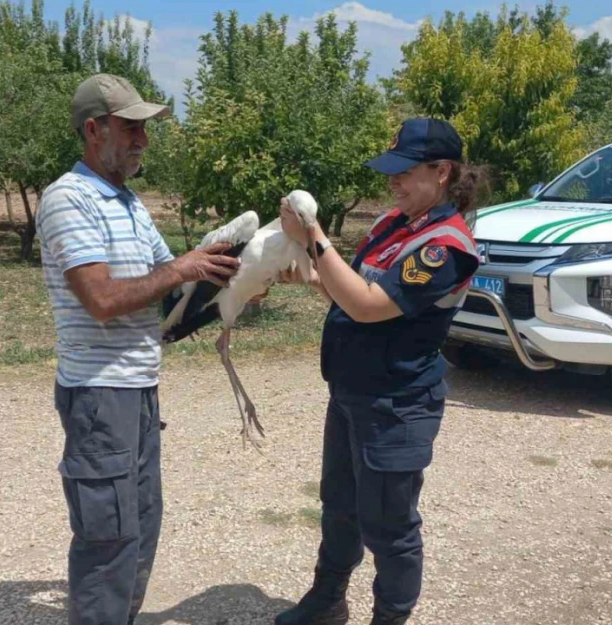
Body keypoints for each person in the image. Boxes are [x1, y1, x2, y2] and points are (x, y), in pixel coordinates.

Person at [37, 74, 243, 625]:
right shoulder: (69, 198)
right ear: (93, 129)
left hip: (139, 389)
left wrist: (234, 279)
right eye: (131, 129)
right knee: (108, 538)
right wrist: (182, 267)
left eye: (144, 130)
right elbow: (102, 299)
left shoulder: (128, 203)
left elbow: (170, 289)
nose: (142, 141)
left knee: (141, 526)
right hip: (100, 395)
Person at [275, 117, 484, 625]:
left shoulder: (446, 247)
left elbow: (369, 305)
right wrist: (307, 263)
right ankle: (327, 601)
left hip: (397, 403)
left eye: (404, 172)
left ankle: (389, 619)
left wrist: (315, 233)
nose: (392, 182)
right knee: (339, 507)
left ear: (442, 172)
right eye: (390, 172)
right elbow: (346, 294)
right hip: (352, 391)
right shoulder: (393, 224)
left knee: (390, 527)